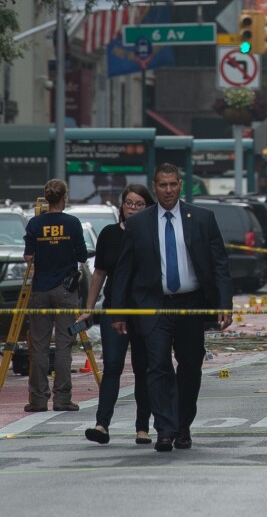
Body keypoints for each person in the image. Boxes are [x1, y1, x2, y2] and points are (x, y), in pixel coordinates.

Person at [111, 163, 233, 452]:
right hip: (153, 304)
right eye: (162, 185)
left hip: (191, 304)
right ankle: (164, 428)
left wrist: (224, 303)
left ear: (181, 185)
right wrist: (117, 311)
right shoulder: (139, 224)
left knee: (190, 365)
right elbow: (124, 270)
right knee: (158, 366)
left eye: (173, 184)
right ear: (154, 187)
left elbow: (219, 265)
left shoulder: (202, 218)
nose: (168, 190)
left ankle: (182, 425)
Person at [79, 184, 155, 445]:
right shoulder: (110, 234)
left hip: (144, 310)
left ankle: (142, 428)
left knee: (143, 369)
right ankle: (102, 425)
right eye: (129, 203)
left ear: (147, 207)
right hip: (113, 308)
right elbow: (98, 274)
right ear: (121, 206)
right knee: (112, 366)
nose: (132, 208)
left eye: (138, 204)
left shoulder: (151, 234)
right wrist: (88, 310)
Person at [23, 179, 88, 412]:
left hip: (40, 289)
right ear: (65, 197)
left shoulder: (35, 223)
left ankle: (38, 399)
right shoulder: (72, 223)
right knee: (64, 344)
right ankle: (62, 398)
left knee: (38, 346)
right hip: (65, 290)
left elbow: (28, 257)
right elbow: (82, 255)